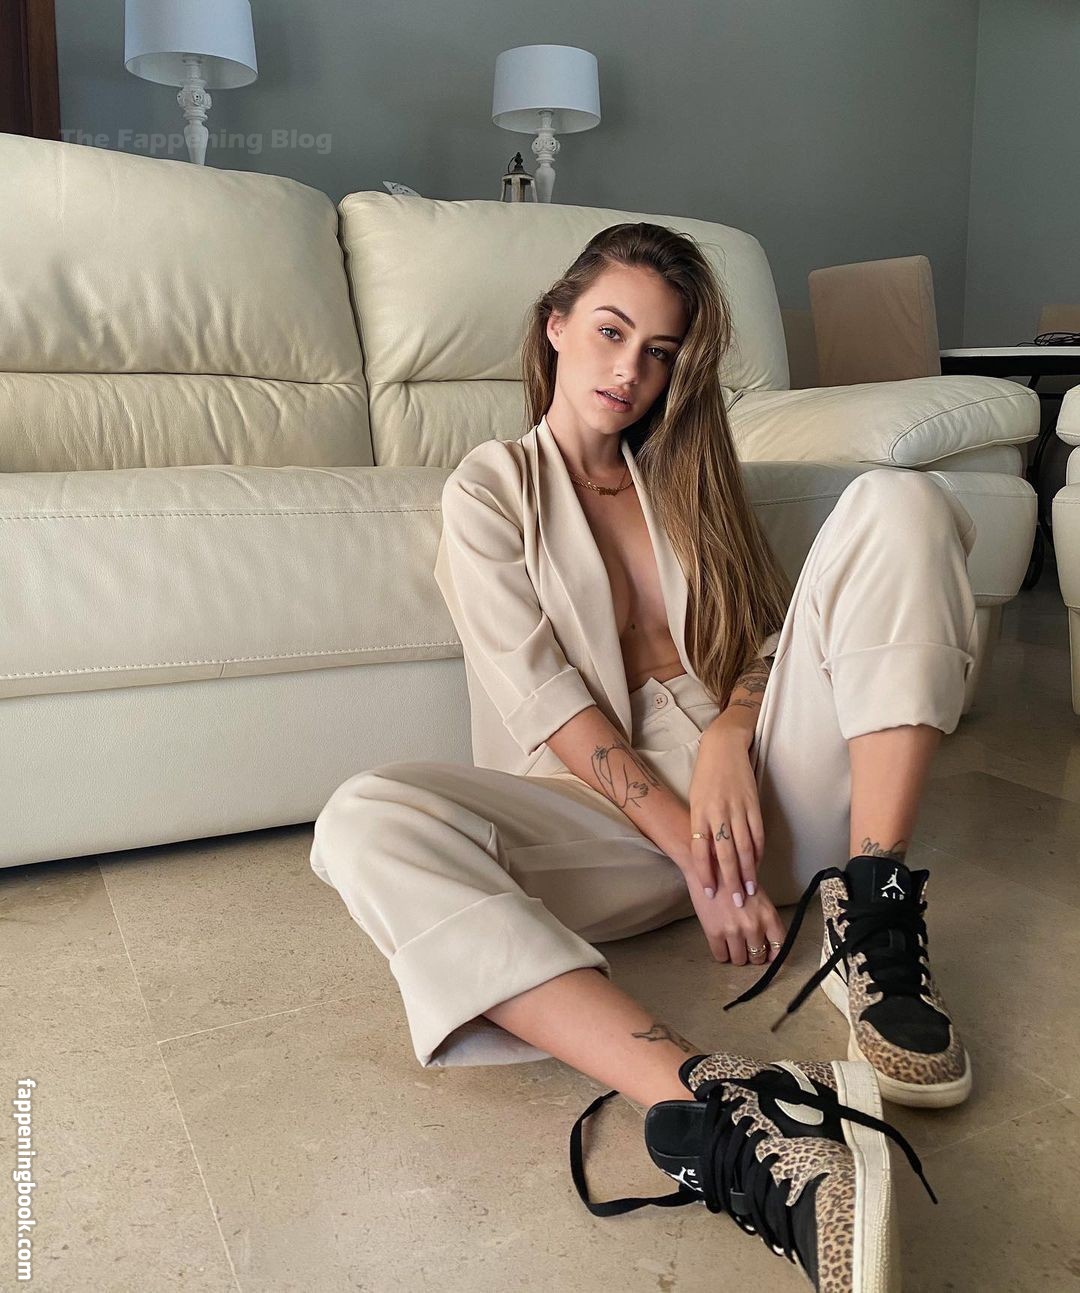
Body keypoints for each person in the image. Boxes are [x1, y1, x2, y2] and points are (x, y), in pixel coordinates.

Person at [310, 222, 979, 1291]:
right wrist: (697, 859)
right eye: (611, 331)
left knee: (903, 497)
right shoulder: (490, 489)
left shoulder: (684, 474)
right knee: (361, 818)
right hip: (606, 822)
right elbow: (547, 703)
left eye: (659, 351)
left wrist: (730, 734)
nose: (629, 370)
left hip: (767, 793)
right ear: (556, 326)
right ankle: (722, 1105)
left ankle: (872, 907)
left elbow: (763, 637)